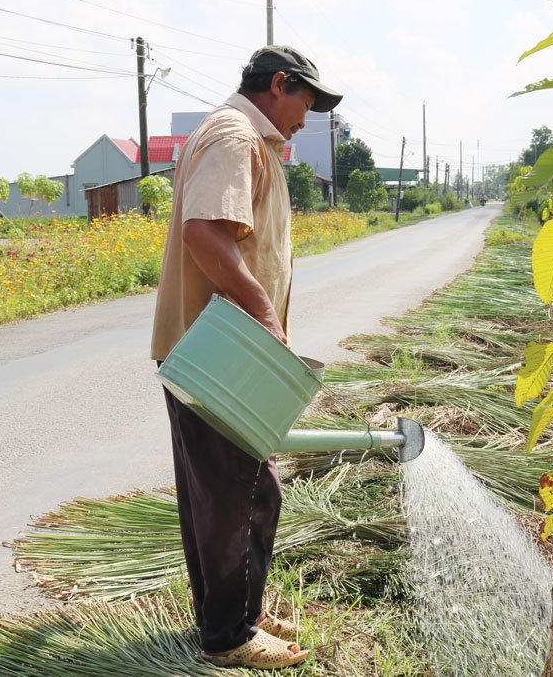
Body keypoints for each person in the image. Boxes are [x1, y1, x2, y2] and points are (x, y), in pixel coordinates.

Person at [150, 45, 342, 669]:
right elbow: (205, 231)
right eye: (304, 104)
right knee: (242, 494)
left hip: (219, 354)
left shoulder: (248, 141)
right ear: (279, 84)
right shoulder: (235, 136)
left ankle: (233, 616)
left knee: (227, 493)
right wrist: (264, 314)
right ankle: (228, 639)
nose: (304, 121)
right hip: (220, 356)